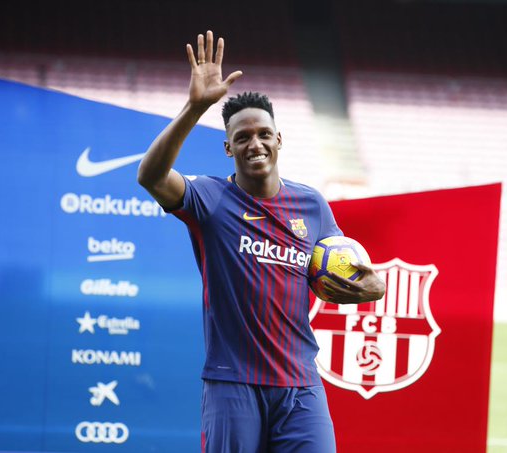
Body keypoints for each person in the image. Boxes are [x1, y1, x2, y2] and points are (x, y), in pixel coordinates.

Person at [138, 30, 385, 453]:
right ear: (228, 148)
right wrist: (195, 108)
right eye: (243, 137)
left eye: (264, 134)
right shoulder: (211, 199)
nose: (255, 144)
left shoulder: (312, 204)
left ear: (278, 139)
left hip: (300, 385)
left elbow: (346, 270)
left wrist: (371, 285)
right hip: (233, 385)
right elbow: (151, 176)